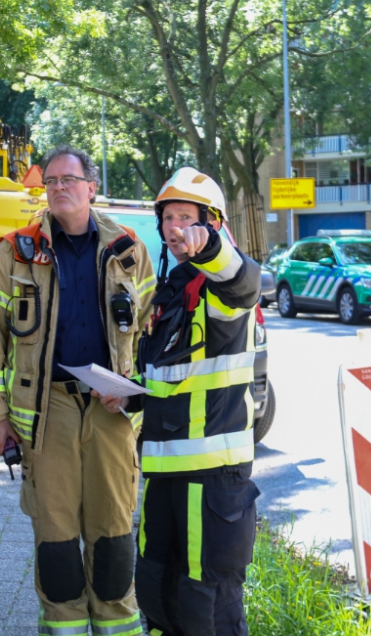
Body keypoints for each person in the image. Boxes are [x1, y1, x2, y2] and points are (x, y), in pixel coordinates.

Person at [0, 145, 157, 636]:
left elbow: (148, 331)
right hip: (46, 410)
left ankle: (117, 624)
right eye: (51, 181)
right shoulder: (16, 250)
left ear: (91, 187)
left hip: (111, 410)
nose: (58, 189)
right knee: (56, 544)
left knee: (114, 537)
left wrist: (134, 390)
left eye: (68, 180)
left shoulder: (129, 249)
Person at [129, 168, 261, 636]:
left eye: (187, 216)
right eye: (168, 217)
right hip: (163, 474)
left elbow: (244, 280)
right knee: (158, 595)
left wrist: (207, 249)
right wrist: (126, 397)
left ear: (214, 224)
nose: (175, 227)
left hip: (213, 479)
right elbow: (165, 377)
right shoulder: (168, 292)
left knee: (208, 606)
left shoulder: (221, 289)